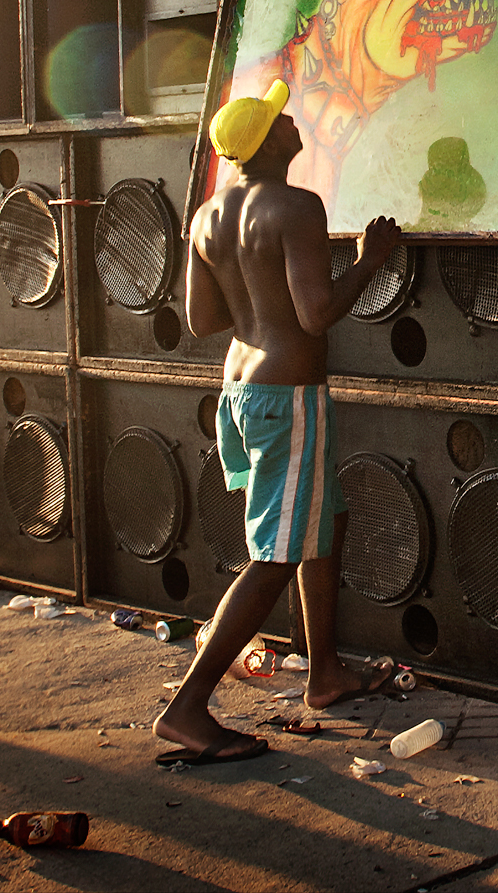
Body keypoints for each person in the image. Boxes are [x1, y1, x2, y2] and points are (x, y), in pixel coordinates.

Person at [152, 81, 405, 766]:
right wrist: (369, 262)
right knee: (276, 553)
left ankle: (323, 674)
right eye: (280, 118)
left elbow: (204, 320)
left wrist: (254, 296)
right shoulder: (295, 205)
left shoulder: (207, 216)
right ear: (267, 144)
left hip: (238, 389)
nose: (293, 120)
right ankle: (187, 707)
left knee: (326, 520)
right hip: (287, 395)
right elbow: (316, 313)